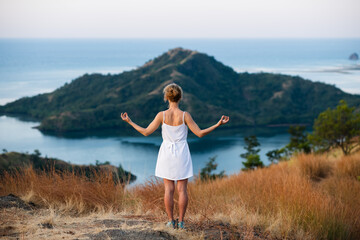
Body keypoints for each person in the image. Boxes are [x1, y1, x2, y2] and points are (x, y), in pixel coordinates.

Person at [121, 83, 229, 229]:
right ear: (181, 97)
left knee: (168, 190)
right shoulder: (185, 115)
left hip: (166, 153)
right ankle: (182, 222)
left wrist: (130, 121)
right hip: (182, 153)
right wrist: (217, 124)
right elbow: (200, 133)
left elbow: (146, 132)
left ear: (166, 97)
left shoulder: (162, 115)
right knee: (182, 190)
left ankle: (171, 221)